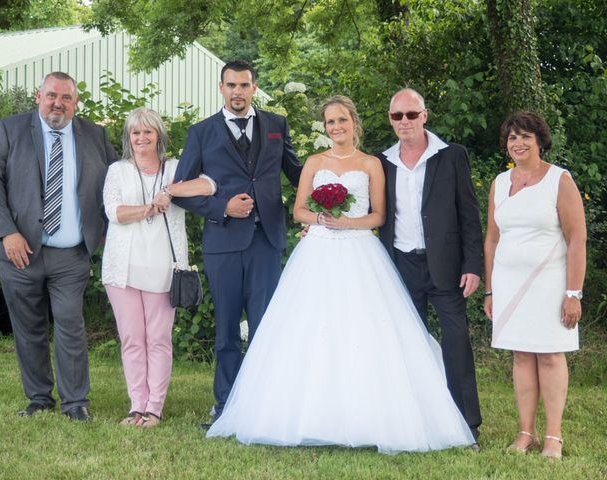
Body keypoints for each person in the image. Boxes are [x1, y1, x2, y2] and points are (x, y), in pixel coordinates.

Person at [206, 96, 475, 453]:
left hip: (360, 250)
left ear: (354, 123)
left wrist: (348, 222)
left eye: (342, 121)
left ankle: (373, 415)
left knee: (363, 330)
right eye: (330, 122)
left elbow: (379, 215)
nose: (336, 128)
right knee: (312, 331)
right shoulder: (315, 162)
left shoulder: (373, 164)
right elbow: (300, 208)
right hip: (317, 250)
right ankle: (313, 416)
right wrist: (319, 219)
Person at [0, 72, 117, 421]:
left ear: (76, 102)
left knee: (70, 324)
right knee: (28, 329)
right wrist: (6, 232)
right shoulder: (9, 130)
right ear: (38, 95)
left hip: (71, 254)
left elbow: (116, 181)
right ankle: (39, 397)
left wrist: (104, 225)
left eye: (66, 97)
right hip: (20, 252)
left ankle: (75, 403)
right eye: (52, 95)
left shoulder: (96, 136)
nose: (58, 103)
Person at [173, 60, 302, 425]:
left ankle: (265, 406)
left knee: (266, 327)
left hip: (267, 241)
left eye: (244, 85)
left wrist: (332, 186)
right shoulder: (201, 133)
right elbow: (181, 190)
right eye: (231, 85)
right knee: (227, 329)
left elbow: (297, 173)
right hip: (224, 244)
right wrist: (221, 207)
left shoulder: (276, 126)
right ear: (221, 88)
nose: (237, 92)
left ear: (254, 88)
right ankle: (225, 407)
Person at [377, 88, 483, 443]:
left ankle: (467, 423)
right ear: (390, 120)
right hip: (400, 264)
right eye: (397, 116)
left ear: (424, 115)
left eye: (411, 114)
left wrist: (473, 265)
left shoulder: (451, 156)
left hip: (447, 266)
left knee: (455, 341)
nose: (404, 122)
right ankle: (416, 418)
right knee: (408, 344)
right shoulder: (383, 161)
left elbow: (469, 215)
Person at [102, 107, 215, 427]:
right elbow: (114, 212)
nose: (141, 138)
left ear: (159, 136)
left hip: (165, 267)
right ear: (128, 137)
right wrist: (150, 208)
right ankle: (136, 405)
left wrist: (169, 191)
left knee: (158, 338)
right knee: (132, 338)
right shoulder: (117, 171)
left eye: (147, 132)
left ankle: (154, 408)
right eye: (135, 132)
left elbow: (209, 185)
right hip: (122, 268)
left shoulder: (176, 169)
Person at [483, 112, 586, 459]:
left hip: (551, 282)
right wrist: (491, 290)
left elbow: (576, 239)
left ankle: (553, 437)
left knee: (550, 355)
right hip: (508, 282)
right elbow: (492, 240)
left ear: (540, 140)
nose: (518, 143)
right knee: (521, 355)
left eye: (526, 136)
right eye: (512, 138)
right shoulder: (499, 182)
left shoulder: (560, 179)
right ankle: (525, 432)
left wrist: (573, 293)